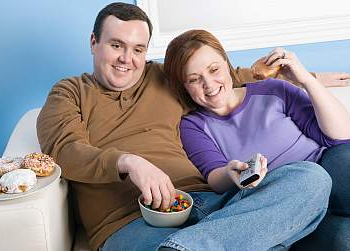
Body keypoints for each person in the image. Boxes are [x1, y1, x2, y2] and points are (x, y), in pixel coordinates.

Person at [36, 2, 349, 250]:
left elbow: (224, 76)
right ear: (94, 42)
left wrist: (310, 79)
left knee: (310, 178)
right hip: (131, 221)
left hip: (211, 204)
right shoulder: (69, 92)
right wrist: (128, 162)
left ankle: (190, 247)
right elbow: (64, 150)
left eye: (138, 49)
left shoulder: (162, 77)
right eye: (116, 45)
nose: (126, 59)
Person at [164, 29, 350, 250]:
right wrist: (230, 173)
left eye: (214, 69)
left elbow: (341, 135)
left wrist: (305, 78)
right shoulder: (193, 125)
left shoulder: (273, 90)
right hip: (281, 202)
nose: (209, 84)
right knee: (344, 240)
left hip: (329, 173)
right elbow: (215, 176)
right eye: (194, 79)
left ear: (226, 63)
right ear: (184, 86)